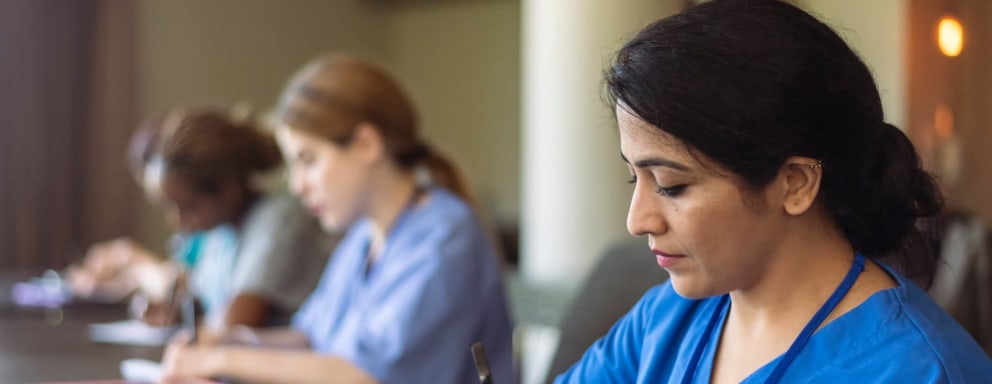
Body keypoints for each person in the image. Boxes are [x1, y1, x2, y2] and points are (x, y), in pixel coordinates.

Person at [555, 1, 992, 383]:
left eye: (672, 186)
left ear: (796, 183)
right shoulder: (664, 321)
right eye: (636, 177)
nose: (637, 220)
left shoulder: (919, 371)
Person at [161, 55, 516, 384]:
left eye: (309, 160)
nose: (298, 186)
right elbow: (311, 337)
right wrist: (233, 340)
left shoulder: (445, 238)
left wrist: (222, 360)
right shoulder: (364, 237)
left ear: (366, 144)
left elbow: (364, 376)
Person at [68, 108, 335, 331]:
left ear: (229, 190)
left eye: (187, 207)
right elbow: (197, 298)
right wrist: (175, 310)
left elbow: (234, 324)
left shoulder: (280, 222)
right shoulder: (220, 234)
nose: (177, 220)